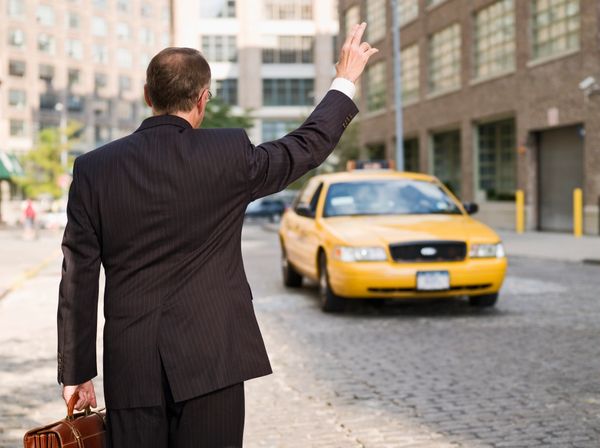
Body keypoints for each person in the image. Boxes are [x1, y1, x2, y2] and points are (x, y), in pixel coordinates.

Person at [57, 22, 377, 447]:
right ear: (203, 98)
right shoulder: (227, 154)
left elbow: (78, 276)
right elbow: (305, 146)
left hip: (132, 367)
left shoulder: (94, 168)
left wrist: (77, 371)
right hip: (213, 359)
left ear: (148, 96)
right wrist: (345, 79)